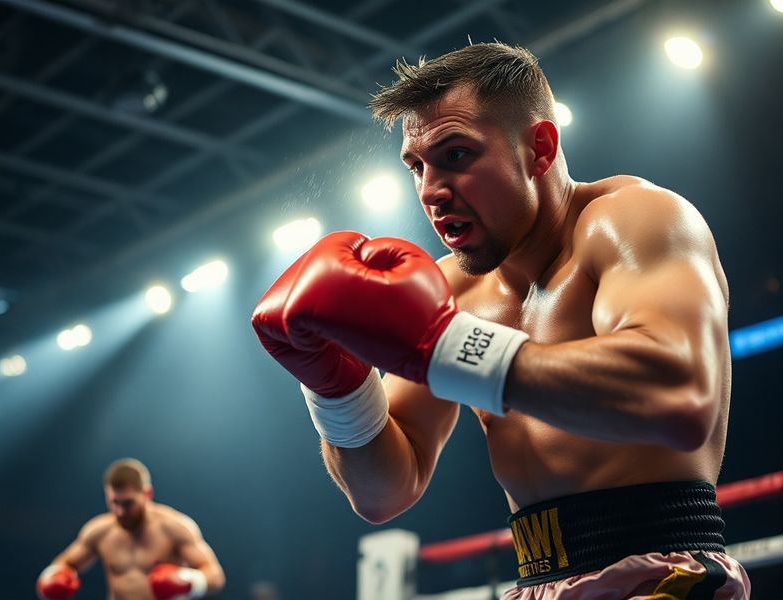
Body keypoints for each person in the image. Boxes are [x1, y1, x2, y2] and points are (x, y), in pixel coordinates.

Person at [251, 42, 751, 598]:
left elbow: (680, 396)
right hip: (533, 584)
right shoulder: (454, 289)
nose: (430, 191)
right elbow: (384, 493)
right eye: (416, 166)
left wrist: (447, 350)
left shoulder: (631, 220)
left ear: (539, 147)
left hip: (659, 576)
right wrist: (336, 387)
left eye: (457, 155)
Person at [36, 458, 225, 600]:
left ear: (147, 494)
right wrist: (54, 577)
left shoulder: (174, 527)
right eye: (114, 503)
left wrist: (188, 580)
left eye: (128, 503)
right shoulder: (100, 531)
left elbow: (215, 576)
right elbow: (65, 562)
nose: (120, 511)